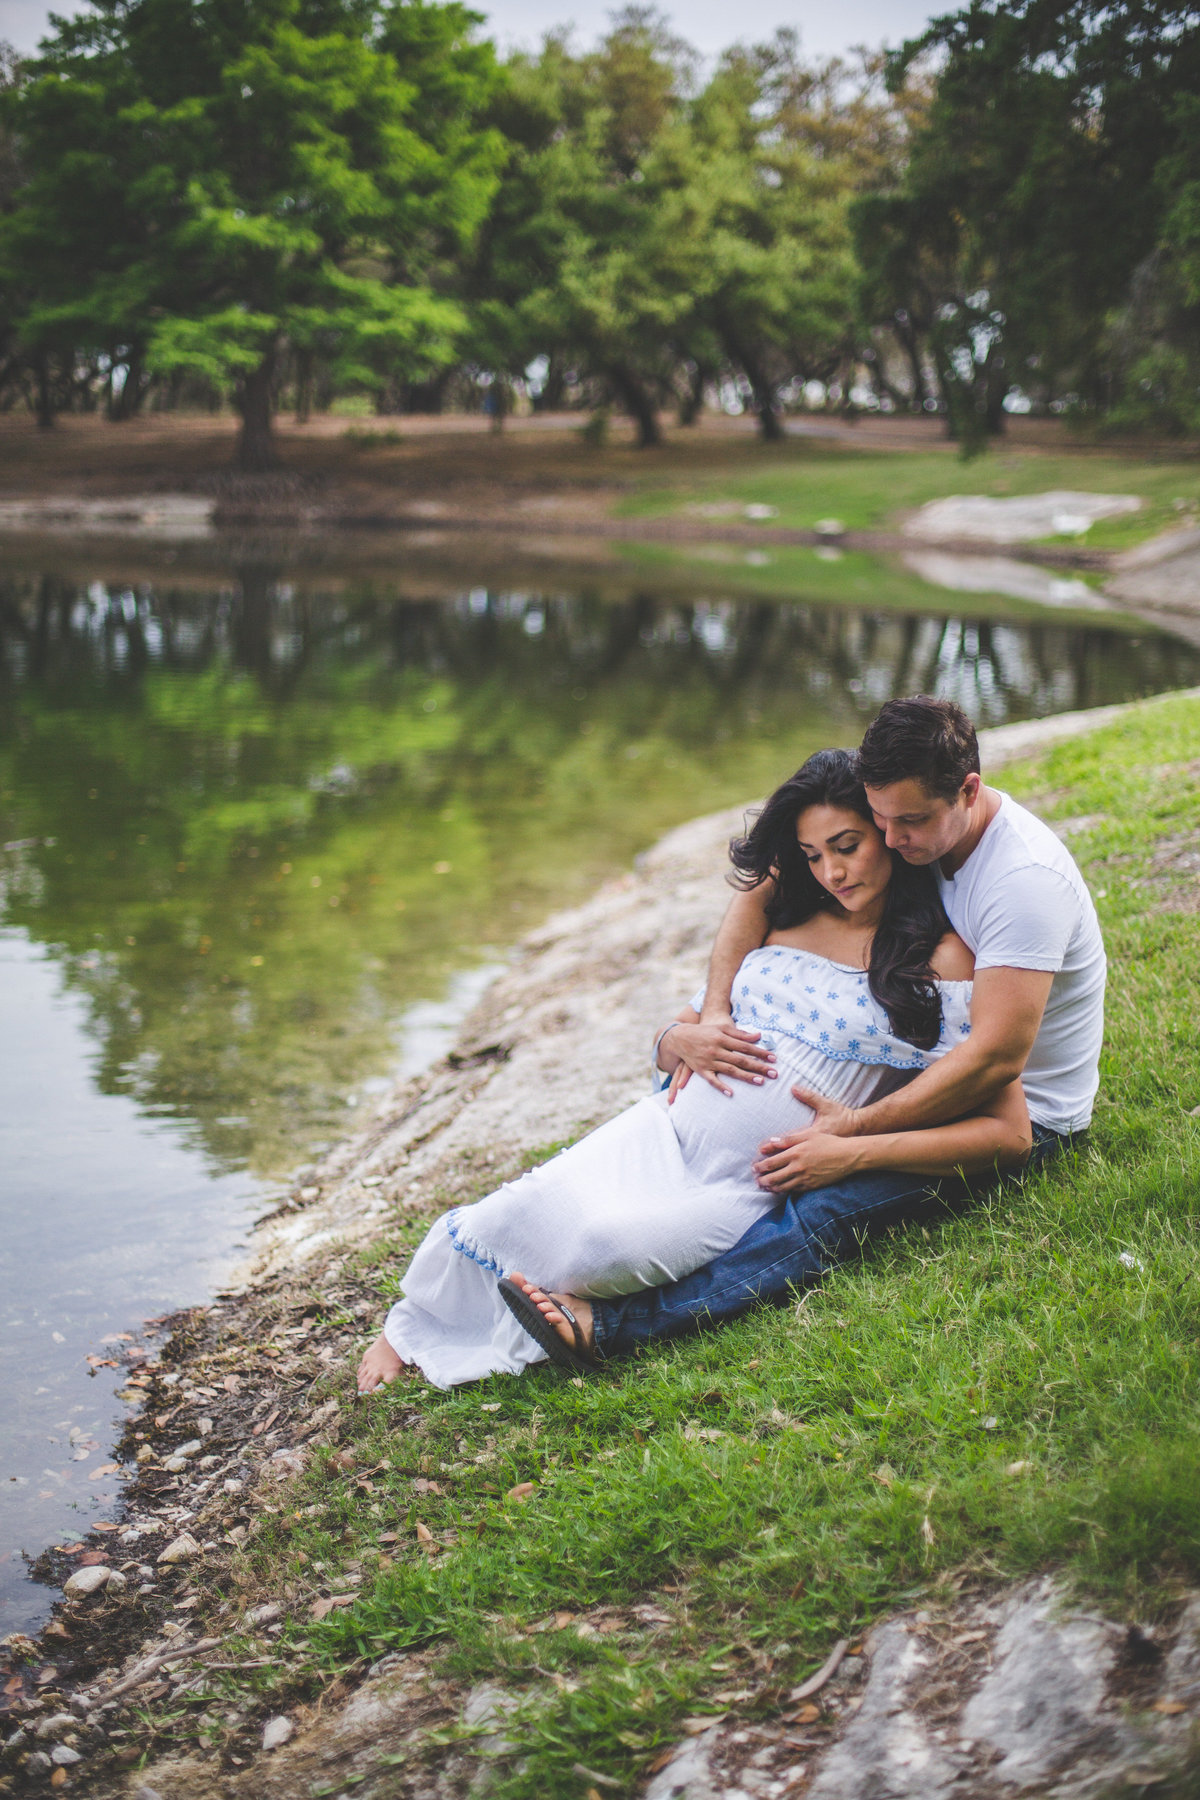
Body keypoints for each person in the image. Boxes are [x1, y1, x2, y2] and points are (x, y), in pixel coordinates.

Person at [357, 747, 1030, 1391]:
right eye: (812, 855)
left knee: (600, 1246)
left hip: (740, 1181)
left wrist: (852, 1146)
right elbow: (674, 1033)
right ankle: (412, 1328)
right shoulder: (787, 919)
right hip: (661, 1128)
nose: (832, 872)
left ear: (886, 832)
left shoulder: (940, 962)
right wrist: (683, 1036)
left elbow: (1005, 1132)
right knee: (513, 1211)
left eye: (847, 846)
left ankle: (541, 1317)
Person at [508, 694, 1105, 1371]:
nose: (890, 837)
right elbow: (764, 881)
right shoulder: (906, 832)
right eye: (878, 819)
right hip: (937, 1064)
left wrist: (853, 1138)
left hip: (1027, 1107)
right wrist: (713, 1016)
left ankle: (615, 1328)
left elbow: (995, 1062)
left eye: (906, 822)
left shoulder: (1020, 882)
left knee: (827, 1207)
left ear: (969, 791)